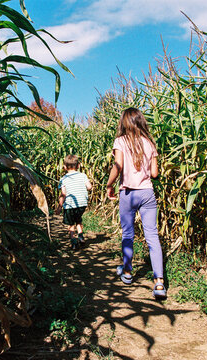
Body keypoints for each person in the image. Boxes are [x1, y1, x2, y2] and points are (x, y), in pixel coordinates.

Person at [106, 107, 166, 299]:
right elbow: (155, 174)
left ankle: (127, 272)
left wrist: (109, 185)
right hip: (148, 193)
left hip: (128, 193)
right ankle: (159, 283)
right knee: (152, 235)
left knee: (128, 234)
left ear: (124, 123)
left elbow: (118, 165)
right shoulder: (149, 143)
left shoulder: (120, 141)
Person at [56, 154, 92, 250]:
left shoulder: (63, 179)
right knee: (78, 220)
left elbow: (63, 194)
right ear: (78, 165)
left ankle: (74, 242)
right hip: (82, 204)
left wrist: (59, 207)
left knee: (71, 224)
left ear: (64, 167)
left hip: (69, 205)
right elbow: (89, 187)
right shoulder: (83, 176)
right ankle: (81, 237)